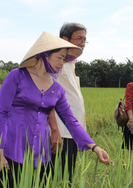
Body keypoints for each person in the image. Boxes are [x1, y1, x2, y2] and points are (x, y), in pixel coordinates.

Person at [0, 32, 111, 188]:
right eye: (59, 58)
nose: (62, 63)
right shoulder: (17, 77)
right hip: (12, 151)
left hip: (41, 155)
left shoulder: (56, 89)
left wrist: (95, 147)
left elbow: (70, 120)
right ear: (45, 55)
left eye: (64, 59)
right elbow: (2, 113)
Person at [48, 22, 88, 182]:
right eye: (79, 39)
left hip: (71, 132)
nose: (83, 44)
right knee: (57, 178)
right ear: (65, 39)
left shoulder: (70, 64)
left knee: (67, 177)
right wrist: (55, 130)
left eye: (85, 40)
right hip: (61, 133)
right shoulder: (57, 64)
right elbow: (47, 98)